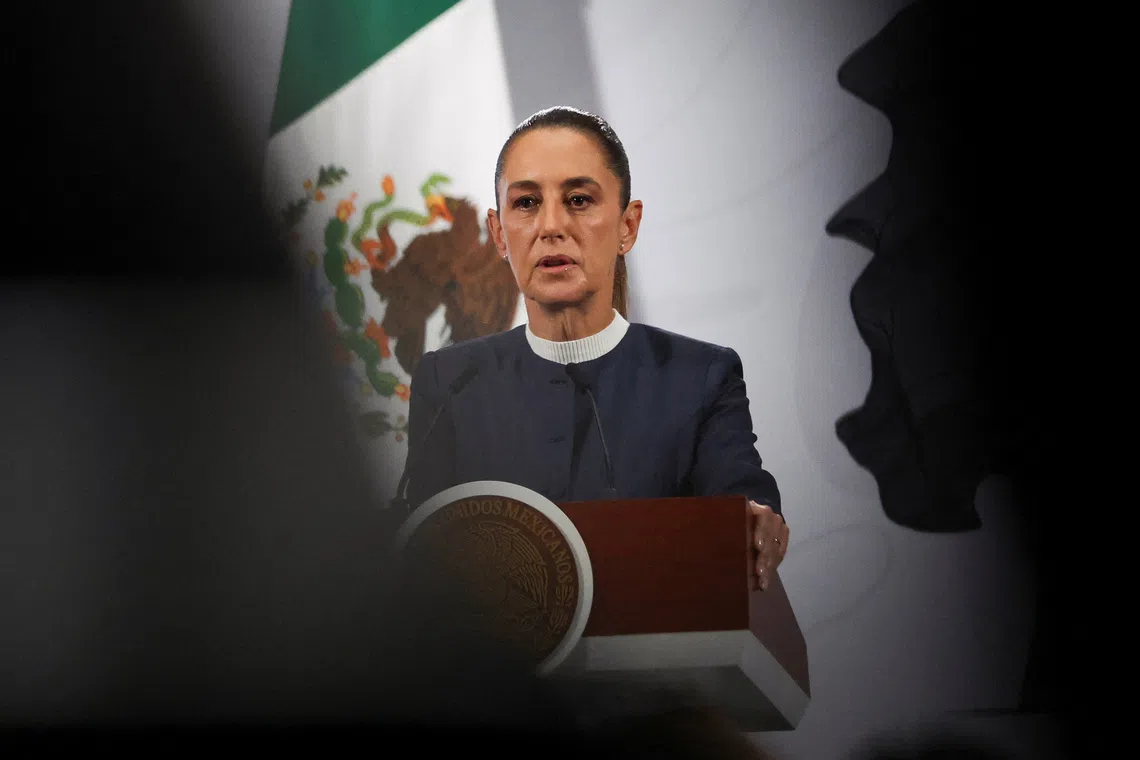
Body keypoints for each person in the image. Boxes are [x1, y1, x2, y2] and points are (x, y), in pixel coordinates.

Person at [405, 106, 789, 587]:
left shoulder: (700, 378)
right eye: (526, 203)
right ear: (499, 234)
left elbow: (741, 503)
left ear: (628, 226)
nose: (550, 226)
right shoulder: (450, 384)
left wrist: (755, 520)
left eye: (580, 200)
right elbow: (419, 553)